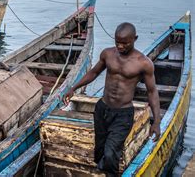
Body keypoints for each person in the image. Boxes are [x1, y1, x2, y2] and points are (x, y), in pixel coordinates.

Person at [63, 22, 161, 175]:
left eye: (125, 43)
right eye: (117, 42)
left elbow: (152, 92)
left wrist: (157, 121)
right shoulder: (108, 54)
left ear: (135, 39)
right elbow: (94, 73)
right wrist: (73, 88)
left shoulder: (143, 63)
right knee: (100, 151)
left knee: (110, 153)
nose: (120, 46)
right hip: (102, 109)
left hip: (123, 114)